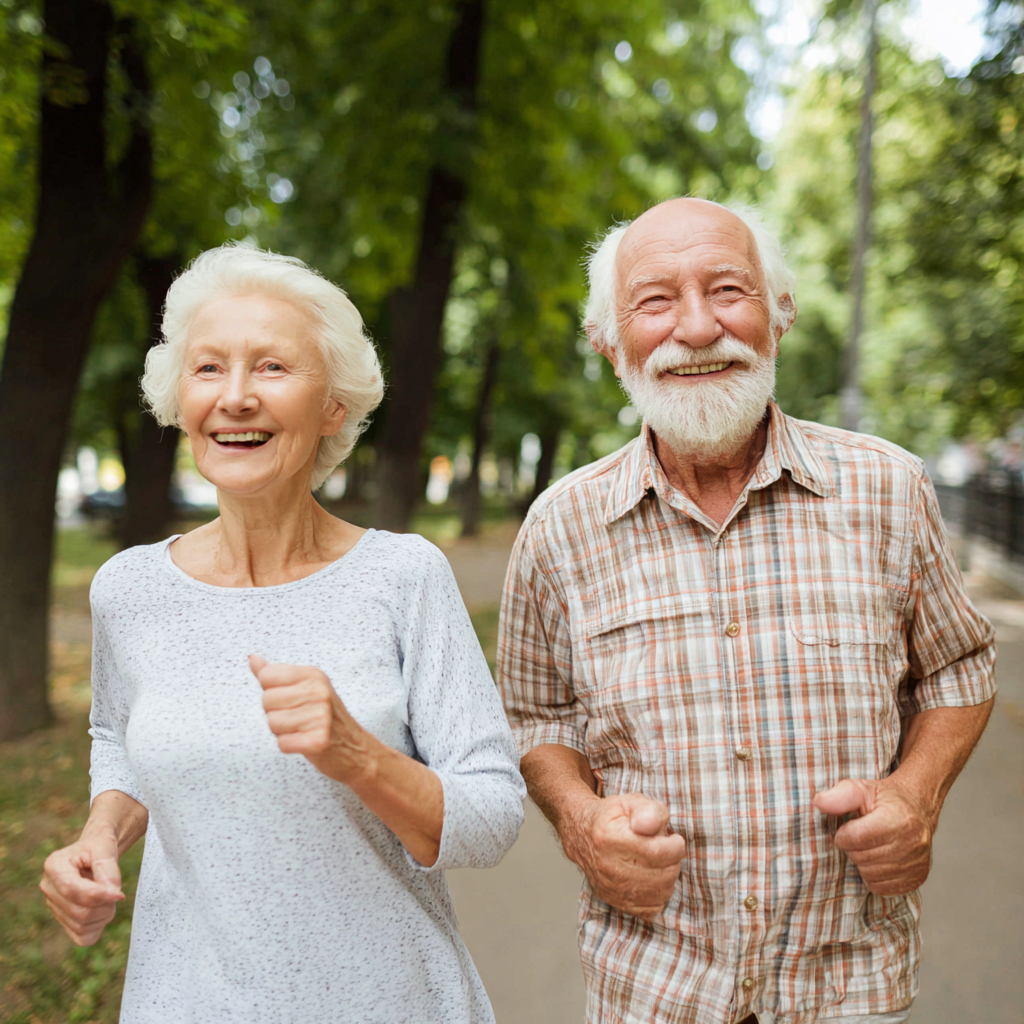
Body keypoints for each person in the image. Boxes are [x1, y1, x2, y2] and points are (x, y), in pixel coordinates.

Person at [497, 197, 995, 1024]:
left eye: (728, 289)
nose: (697, 328)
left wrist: (917, 792)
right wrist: (581, 822)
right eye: (655, 301)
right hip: (651, 987)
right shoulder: (560, 527)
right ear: (608, 342)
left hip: (849, 988)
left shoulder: (889, 490)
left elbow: (959, 667)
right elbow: (534, 714)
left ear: (781, 312)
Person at [40, 245, 525, 1024]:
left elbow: (493, 815)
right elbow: (119, 736)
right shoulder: (129, 590)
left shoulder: (403, 578)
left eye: (271, 368)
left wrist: (358, 756)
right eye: (209, 369)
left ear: (333, 405)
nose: (236, 398)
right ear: (179, 398)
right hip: (183, 1002)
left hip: (392, 1002)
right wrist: (99, 838)